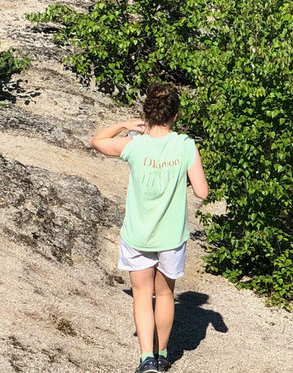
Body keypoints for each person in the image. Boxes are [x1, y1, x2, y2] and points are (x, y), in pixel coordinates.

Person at [88, 82, 209, 373]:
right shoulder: (185, 145)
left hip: (138, 234)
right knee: (165, 294)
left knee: (142, 294)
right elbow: (202, 192)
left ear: (146, 113)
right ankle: (164, 353)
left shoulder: (134, 145)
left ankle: (146, 359)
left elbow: (96, 141)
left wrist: (124, 125)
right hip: (171, 236)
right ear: (175, 116)